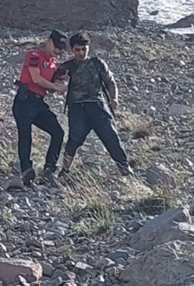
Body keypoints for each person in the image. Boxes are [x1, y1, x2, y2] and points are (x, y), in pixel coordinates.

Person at [55, 31, 134, 178]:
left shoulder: (97, 63)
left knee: (110, 136)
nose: (81, 53)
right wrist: (62, 83)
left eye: (84, 49)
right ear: (72, 50)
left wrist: (114, 99)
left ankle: (124, 167)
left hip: (97, 105)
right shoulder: (65, 67)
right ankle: (65, 170)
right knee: (75, 138)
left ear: (88, 48)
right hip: (77, 107)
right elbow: (57, 87)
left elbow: (111, 83)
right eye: (77, 50)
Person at [12, 30, 68, 185]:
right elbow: (36, 78)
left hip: (38, 103)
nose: (57, 51)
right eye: (56, 47)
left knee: (57, 132)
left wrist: (60, 83)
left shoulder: (52, 64)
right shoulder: (34, 56)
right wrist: (56, 87)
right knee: (25, 135)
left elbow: (48, 87)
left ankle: (49, 168)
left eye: (60, 49)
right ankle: (26, 170)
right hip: (25, 100)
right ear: (48, 42)